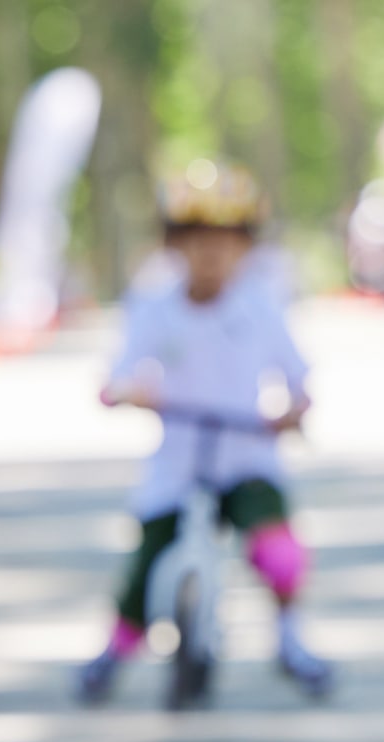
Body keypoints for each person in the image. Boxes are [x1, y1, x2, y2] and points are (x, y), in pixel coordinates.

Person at [75, 160, 334, 704]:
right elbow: (118, 373)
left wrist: (292, 410)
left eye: (226, 239)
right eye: (195, 238)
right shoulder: (155, 306)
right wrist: (127, 391)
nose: (211, 252)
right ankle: (112, 654)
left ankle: (290, 641)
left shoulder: (258, 305)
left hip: (245, 455)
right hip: (179, 459)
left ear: (246, 247)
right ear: (174, 244)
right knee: (146, 563)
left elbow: (298, 378)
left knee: (280, 552)